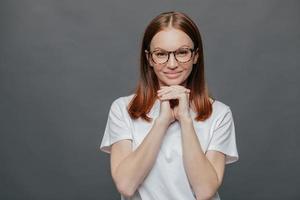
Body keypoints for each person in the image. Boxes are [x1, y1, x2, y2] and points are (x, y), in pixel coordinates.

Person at [99, 11, 239, 200]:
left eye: (182, 52)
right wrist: (162, 121)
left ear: (196, 55)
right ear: (149, 58)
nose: (172, 64)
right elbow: (126, 185)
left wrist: (186, 120)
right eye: (161, 54)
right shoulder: (123, 108)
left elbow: (205, 191)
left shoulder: (220, 113)